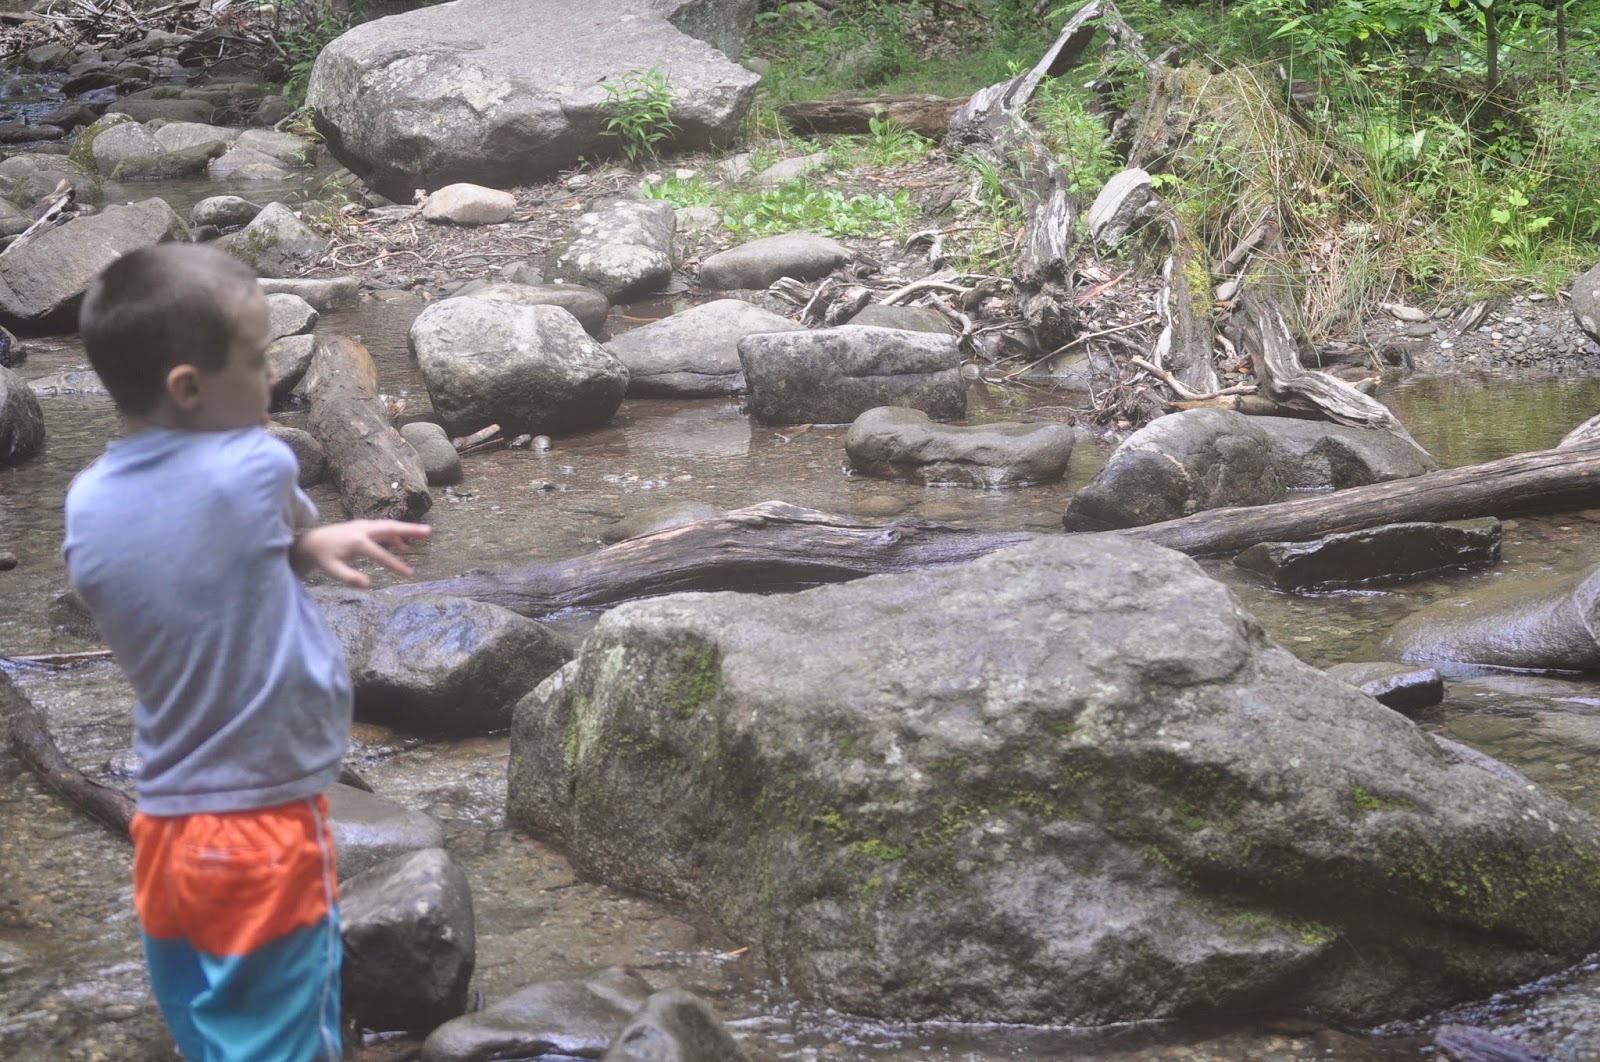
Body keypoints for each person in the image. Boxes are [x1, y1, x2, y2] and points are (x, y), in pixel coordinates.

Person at [62, 242, 431, 1061]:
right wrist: (305, 530)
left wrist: (307, 548)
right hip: (262, 831)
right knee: (283, 1042)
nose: (271, 380)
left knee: (211, 1035)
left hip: (166, 831)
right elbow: (249, 505)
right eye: (258, 361)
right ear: (188, 388)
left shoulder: (86, 502)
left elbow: (197, 563)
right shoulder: (255, 466)